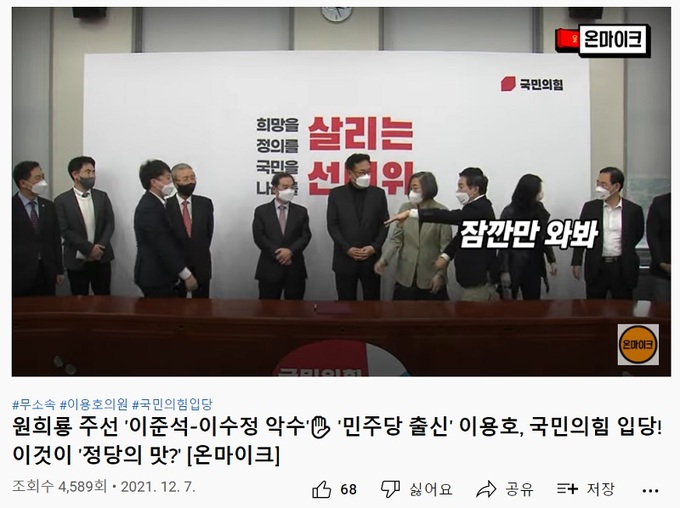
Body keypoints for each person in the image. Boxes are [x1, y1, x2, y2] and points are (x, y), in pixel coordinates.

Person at [386, 167, 498, 301]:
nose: (458, 191)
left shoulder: (479, 209)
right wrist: (445, 256)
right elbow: (461, 237)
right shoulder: (475, 207)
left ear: (474, 189)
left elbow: (448, 216)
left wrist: (412, 213)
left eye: (461, 186)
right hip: (470, 282)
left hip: (479, 283)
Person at [374, 171, 452, 300]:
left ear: (428, 188)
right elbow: (396, 239)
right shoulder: (405, 208)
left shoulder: (442, 212)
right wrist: (383, 260)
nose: (411, 192)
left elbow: (446, 247)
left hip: (430, 276)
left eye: (415, 188)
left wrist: (440, 274)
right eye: (410, 188)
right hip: (405, 276)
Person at [571, 167, 644, 300]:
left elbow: (637, 234)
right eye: (598, 183)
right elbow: (580, 235)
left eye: (603, 185)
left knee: (623, 307)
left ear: (616, 187)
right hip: (597, 266)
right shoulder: (590, 208)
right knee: (594, 307)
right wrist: (577, 261)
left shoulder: (633, 210)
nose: (599, 188)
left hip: (622, 267)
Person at [327, 153, 389, 301]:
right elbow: (332, 225)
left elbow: (384, 224)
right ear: (350, 173)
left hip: (371, 260)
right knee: (345, 304)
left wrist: (374, 247)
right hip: (345, 260)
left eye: (368, 172)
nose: (366, 176)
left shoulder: (378, 194)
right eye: (361, 172)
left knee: (373, 304)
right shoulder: (336, 194)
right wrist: (347, 248)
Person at [133, 159, 198, 298]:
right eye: (168, 178)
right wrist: (186, 275)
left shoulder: (160, 203)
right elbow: (162, 244)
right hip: (155, 277)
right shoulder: (149, 208)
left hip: (166, 274)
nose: (171, 182)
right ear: (154, 182)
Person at [54, 156, 115, 295]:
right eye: (88, 172)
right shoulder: (61, 201)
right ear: (75, 175)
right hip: (76, 260)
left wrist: (100, 247)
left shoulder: (102, 196)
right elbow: (64, 230)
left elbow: (110, 223)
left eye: (93, 171)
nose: (92, 175)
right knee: (79, 299)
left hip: (101, 258)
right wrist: (89, 249)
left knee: (104, 297)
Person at [252, 172, 312, 299]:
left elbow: (305, 236)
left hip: (294, 267)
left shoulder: (301, 211)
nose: (289, 190)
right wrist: (279, 254)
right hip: (269, 268)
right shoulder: (261, 211)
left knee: (295, 308)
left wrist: (290, 251)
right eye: (285, 187)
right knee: (268, 308)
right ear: (274, 189)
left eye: (292, 187)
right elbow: (259, 237)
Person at [498, 174, 557, 300]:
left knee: (533, 302)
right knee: (510, 304)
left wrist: (552, 260)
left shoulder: (539, 210)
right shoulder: (510, 212)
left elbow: (544, 237)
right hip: (514, 264)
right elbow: (503, 244)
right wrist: (504, 270)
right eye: (539, 190)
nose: (541, 193)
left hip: (534, 264)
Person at [12, 161, 64, 296]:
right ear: (23, 183)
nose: (43, 182)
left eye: (43, 177)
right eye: (38, 178)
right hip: (18, 274)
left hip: (46, 272)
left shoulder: (49, 206)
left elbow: (55, 239)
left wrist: (59, 270)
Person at [165, 163, 214, 298]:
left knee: (203, 306)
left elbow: (208, 233)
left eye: (192, 178)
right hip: (175, 268)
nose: (190, 182)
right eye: (185, 179)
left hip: (201, 265)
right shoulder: (165, 206)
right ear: (175, 183)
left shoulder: (205, 203)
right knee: (175, 307)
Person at [645, 192, 670, 301]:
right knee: (661, 308)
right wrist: (661, 263)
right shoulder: (660, 203)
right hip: (665, 271)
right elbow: (652, 235)